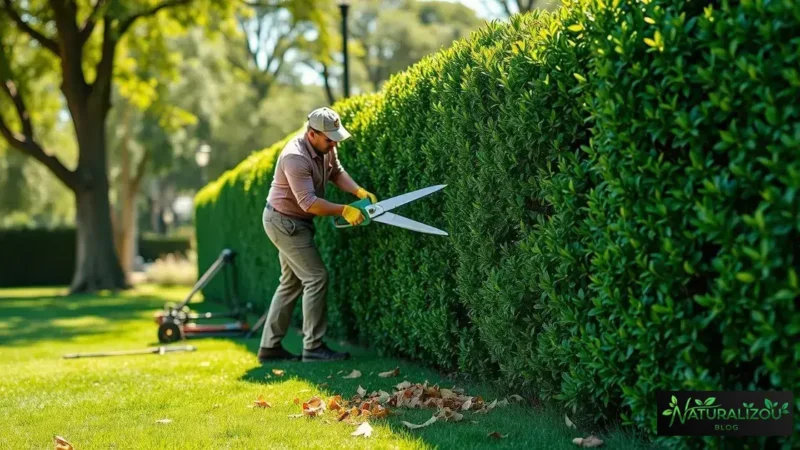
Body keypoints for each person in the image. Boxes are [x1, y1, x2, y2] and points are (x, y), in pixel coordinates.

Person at [257, 107, 377, 362]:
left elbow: (336, 172)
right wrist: (344, 210)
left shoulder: (327, 147)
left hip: (293, 221)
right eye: (329, 138)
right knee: (316, 277)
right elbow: (308, 203)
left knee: (290, 283)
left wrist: (358, 192)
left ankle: (270, 348)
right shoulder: (295, 157)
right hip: (284, 222)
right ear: (312, 134)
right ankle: (313, 347)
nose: (334, 143)